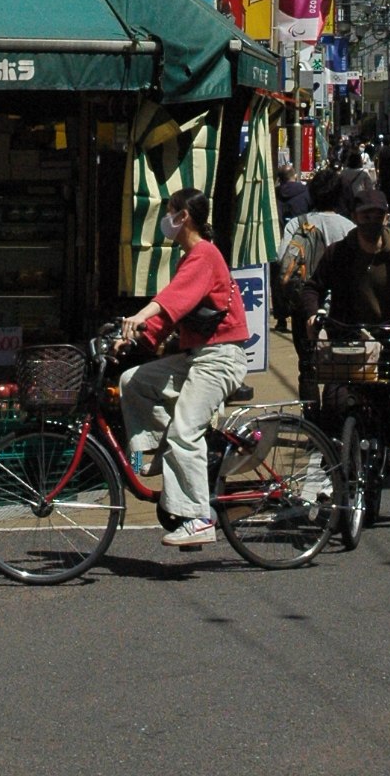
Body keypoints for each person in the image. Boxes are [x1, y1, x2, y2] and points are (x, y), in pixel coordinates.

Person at [117, 189, 251, 550]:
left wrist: (142, 315)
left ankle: (199, 518)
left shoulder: (203, 254)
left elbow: (172, 300)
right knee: (134, 380)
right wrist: (131, 338)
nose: (165, 220)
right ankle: (164, 454)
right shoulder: (192, 257)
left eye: (170, 212)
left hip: (220, 357)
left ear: (183, 217)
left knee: (184, 433)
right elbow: (174, 313)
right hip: (197, 356)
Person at [300, 190, 390, 528]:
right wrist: (312, 315)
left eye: (378, 214)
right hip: (350, 343)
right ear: (355, 217)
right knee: (332, 408)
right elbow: (311, 287)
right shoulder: (340, 252)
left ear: (386, 218)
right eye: (365, 214)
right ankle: (332, 482)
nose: (371, 220)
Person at [279, 170, 354, 405]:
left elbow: (284, 262)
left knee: (308, 367)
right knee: (340, 366)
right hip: (342, 306)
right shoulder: (349, 228)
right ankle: (335, 421)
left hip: (305, 303)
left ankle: (312, 425)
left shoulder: (296, 225)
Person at [275, 159, 311, 228]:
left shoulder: (273, 195)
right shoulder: (306, 192)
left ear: (279, 179)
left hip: (279, 232)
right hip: (301, 231)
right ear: (296, 176)